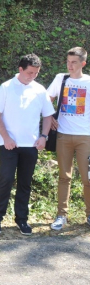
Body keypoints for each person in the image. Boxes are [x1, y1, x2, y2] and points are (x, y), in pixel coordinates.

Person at [0, 54, 54, 235]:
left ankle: (22, 220)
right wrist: (6, 137)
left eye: (36, 73)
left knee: (25, 183)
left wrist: (44, 136)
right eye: (30, 73)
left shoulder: (40, 90)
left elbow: (48, 115)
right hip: (9, 144)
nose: (32, 76)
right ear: (20, 69)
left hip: (31, 145)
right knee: (5, 180)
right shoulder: (6, 87)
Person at [47, 46, 90, 231]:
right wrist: (50, 118)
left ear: (83, 63)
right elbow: (46, 98)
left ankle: (89, 215)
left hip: (85, 137)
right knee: (64, 177)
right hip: (63, 135)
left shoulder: (89, 82)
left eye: (73, 62)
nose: (70, 66)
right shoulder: (61, 78)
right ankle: (61, 215)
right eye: (68, 62)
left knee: (88, 178)